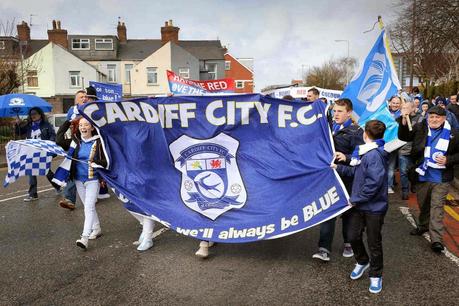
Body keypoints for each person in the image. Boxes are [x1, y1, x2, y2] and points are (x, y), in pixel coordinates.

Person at [335, 120, 388, 294]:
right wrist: (338, 167)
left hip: (373, 207)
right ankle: (362, 261)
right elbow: (356, 172)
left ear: (365, 135)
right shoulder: (366, 152)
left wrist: (355, 199)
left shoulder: (373, 155)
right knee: (353, 236)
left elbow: (373, 184)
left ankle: (376, 275)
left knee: (374, 242)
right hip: (360, 204)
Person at [398, 105, 459, 253]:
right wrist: (404, 120)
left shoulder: (454, 134)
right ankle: (423, 225)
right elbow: (404, 137)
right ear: (427, 118)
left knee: (436, 207)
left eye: (437, 117)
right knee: (423, 204)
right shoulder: (421, 127)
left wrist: (448, 160)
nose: (434, 119)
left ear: (444, 118)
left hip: (442, 178)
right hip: (422, 174)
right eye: (431, 116)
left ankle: (436, 239)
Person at [312, 98, 364, 262]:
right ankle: (324, 249)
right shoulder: (330, 128)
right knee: (328, 212)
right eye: (334, 111)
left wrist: (346, 157)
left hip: (347, 178)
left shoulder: (356, 132)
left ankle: (348, 243)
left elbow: (360, 157)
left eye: (340, 111)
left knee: (348, 212)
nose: (336, 114)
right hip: (329, 178)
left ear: (349, 113)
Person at [56, 117, 107, 249]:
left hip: (93, 180)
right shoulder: (75, 142)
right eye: (81, 125)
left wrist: (96, 163)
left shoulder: (99, 141)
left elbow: (106, 161)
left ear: (92, 127)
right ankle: (97, 228)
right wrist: (68, 121)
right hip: (78, 180)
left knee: (88, 207)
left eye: (86, 125)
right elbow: (59, 140)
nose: (83, 127)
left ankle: (84, 237)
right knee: (88, 207)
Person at [15, 107, 61, 201]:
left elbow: (53, 136)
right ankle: (33, 194)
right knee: (31, 171)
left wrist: (49, 146)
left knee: (46, 171)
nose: (33, 116)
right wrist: (18, 124)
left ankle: (57, 186)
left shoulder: (46, 125)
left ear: (40, 114)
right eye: (31, 114)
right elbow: (18, 132)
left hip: (43, 151)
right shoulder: (28, 125)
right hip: (31, 152)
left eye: (35, 113)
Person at [58, 90, 87, 210]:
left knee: (87, 169)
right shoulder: (72, 110)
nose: (84, 98)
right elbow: (69, 123)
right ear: (76, 100)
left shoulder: (90, 108)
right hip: (76, 140)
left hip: (88, 139)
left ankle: (94, 191)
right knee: (72, 167)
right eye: (81, 97)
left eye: (85, 96)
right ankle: (70, 198)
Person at [86, 86, 111, 200]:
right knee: (92, 162)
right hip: (91, 139)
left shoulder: (98, 108)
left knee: (100, 161)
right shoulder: (85, 108)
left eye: (89, 98)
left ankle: (102, 189)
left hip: (100, 139)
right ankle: (96, 190)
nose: (87, 99)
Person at [396, 101, 423, 200]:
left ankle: (413, 184)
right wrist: (404, 118)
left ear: (413, 108)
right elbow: (402, 133)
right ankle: (405, 190)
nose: (405, 110)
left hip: (416, 151)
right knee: (403, 171)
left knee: (414, 171)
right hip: (403, 151)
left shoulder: (420, 119)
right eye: (403, 108)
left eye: (407, 108)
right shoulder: (399, 119)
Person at [387, 95, 402, 193]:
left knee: (391, 167)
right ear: (390, 103)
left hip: (394, 145)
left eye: (397, 103)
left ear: (400, 104)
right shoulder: (384, 112)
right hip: (382, 143)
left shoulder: (402, 115)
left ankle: (389, 186)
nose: (395, 105)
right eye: (393, 103)